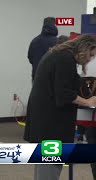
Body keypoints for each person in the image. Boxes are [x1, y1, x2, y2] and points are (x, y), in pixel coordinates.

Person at [24, 35, 96, 180]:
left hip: (44, 121)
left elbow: (72, 82)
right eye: (91, 55)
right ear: (85, 48)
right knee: (50, 168)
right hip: (51, 125)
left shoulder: (59, 55)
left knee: (44, 166)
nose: (90, 59)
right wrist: (88, 102)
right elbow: (63, 93)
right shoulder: (65, 59)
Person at [28, 17, 58, 81]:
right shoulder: (57, 42)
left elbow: (30, 58)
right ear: (54, 24)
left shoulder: (34, 41)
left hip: (37, 75)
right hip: (51, 77)